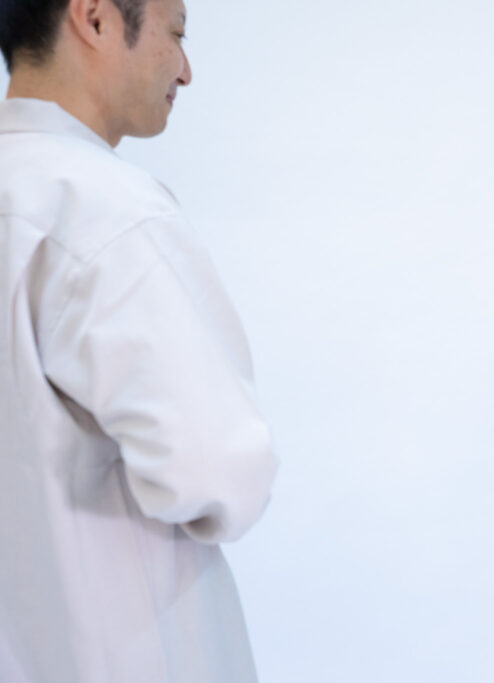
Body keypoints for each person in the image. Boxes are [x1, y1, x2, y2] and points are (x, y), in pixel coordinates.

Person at [0, 1, 277, 681]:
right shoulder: (104, 210)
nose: (185, 70)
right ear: (94, 18)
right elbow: (218, 472)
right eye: (175, 33)